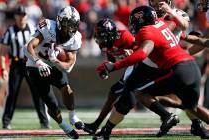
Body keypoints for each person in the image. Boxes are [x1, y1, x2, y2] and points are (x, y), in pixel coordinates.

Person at [85, 1, 209, 139]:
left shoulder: (156, 25)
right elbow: (190, 38)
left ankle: (168, 116)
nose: (157, 6)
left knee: (136, 91)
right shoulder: (162, 24)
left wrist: (115, 66)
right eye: (154, 3)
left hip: (170, 67)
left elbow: (143, 52)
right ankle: (190, 122)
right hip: (186, 66)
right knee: (191, 106)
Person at [24, 5, 84, 139]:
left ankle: (73, 116)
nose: (69, 28)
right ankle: (64, 126)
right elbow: (28, 47)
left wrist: (56, 61)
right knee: (51, 104)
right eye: (67, 24)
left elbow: (69, 65)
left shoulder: (76, 37)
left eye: (73, 25)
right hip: (34, 66)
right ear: (59, 21)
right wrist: (38, 62)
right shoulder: (48, 27)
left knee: (66, 88)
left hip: (53, 64)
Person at [0, 5, 50, 129]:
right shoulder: (10, 31)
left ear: (26, 16)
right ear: (15, 17)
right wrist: (4, 69)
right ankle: (6, 122)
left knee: (37, 92)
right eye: (19, 15)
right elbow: (3, 53)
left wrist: (40, 62)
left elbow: (39, 48)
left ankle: (44, 121)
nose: (21, 18)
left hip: (31, 64)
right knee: (12, 94)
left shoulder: (33, 29)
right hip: (16, 64)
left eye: (23, 15)